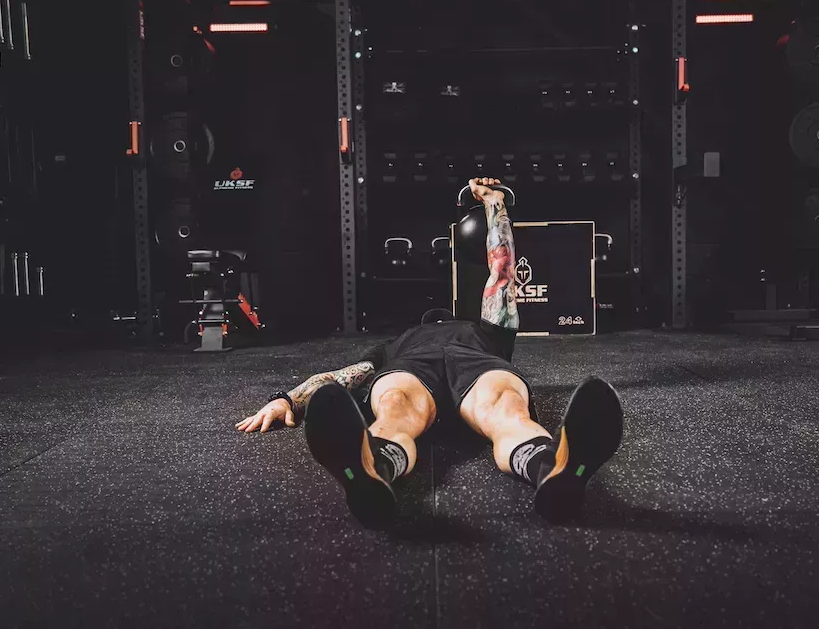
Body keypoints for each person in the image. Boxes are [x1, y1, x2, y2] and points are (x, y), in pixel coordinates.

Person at [236, 178, 624, 524]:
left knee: (473, 406)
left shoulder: (484, 329)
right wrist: (287, 400)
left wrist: (495, 203)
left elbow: (501, 269)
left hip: (467, 366)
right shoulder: (401, 342)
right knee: (418, 406)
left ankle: (551, 470)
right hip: (434, 367)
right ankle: (376, 470)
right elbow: (345, 376)